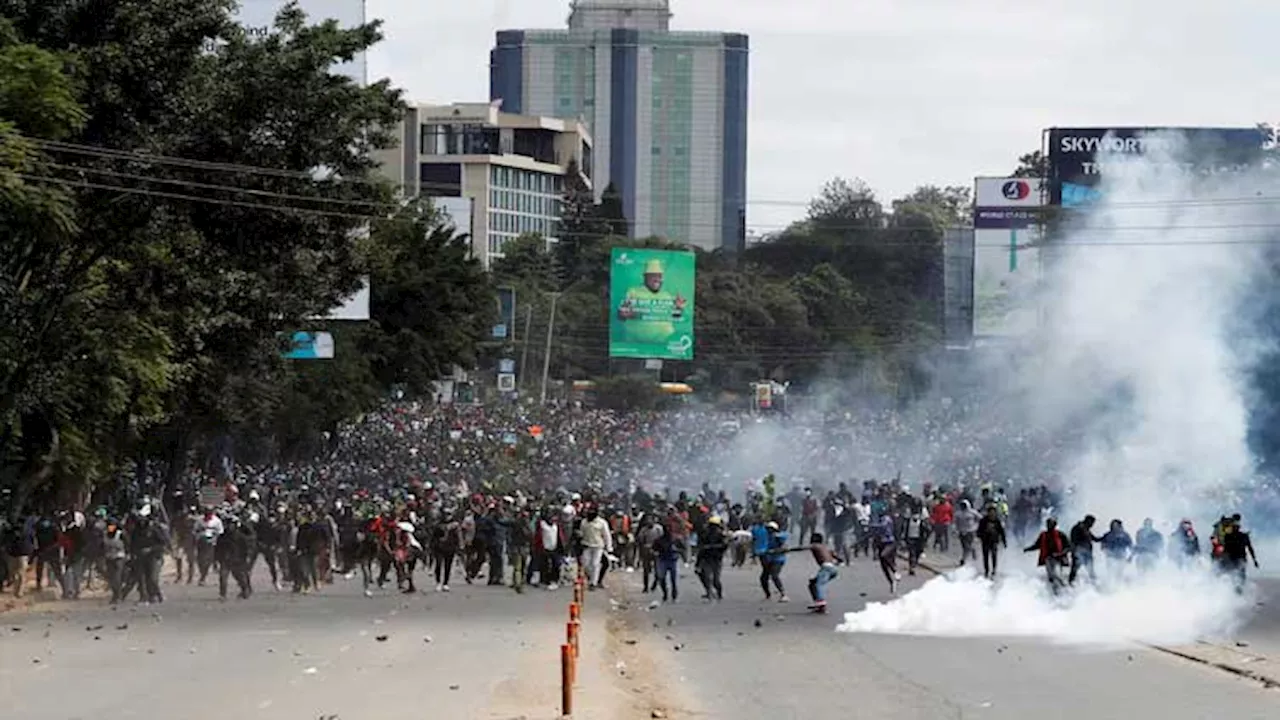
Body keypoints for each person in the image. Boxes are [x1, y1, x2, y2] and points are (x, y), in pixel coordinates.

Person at [1024, 517, 1070, 593]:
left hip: (1058, 559)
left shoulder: (1060, 534)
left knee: (1057, 575)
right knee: (1051, 577)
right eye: (1048, 523)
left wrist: (1059, 554)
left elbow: (1068, 547)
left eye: (1051, 524)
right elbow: (1037, 545)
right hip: (1048, 559)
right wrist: (1028, 549)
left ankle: (1065, 589)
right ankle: (1055, 592)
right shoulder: (1043, 535)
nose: (1049, 525)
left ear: (1055, 525)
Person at [1220, 517, 1259, 593]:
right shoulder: (1237, 536)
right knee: (1237, 574)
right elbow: (1226, 549)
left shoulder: (1237, 536)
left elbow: (1250, 548)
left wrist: (1254, 560)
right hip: (1235, 559)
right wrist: (1254, 560)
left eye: (1235, 527)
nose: (1235, 529)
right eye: (1234, 527)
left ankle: (1238, 588)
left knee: (1238, 574)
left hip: (1238, 559)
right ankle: (1237, 588)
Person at [805, 533, 839, 613]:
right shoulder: (825, 547)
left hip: (826, 568)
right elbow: (836, 556)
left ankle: (821, 602)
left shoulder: (815, 545)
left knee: (819, 585)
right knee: (812, 584)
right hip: (833, 569)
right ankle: (818, 604)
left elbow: (800, 548)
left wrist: (784, 550)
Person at [695, 515, 727, 601]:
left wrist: (713, 547)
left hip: (716, 560)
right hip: (707, 559)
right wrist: (698, 563)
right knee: (706, 577)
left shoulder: (721, 535)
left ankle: (719, 593)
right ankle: (709, 593)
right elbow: (701, 549)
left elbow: (724, 546)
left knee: (716, 580)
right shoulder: (704, 535)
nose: (713, 528)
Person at [1068, 515, 1102, 586]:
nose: (1092, 525)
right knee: (1074, 570)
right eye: (1092, 523)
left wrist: (1105, 537)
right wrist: (1074, 551)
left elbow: (1094, 539)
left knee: (1090, 570)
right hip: (1079, 553)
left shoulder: (1086, 529)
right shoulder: (1078, 528)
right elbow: (1073, 540)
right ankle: (1071, 584)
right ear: (1088, 521)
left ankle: (1095, 584)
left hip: (1087, 554)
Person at [976, 504, 1007, 579]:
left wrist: (1004, 541)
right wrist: (981, 536)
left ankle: (994, 570)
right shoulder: (983, 521)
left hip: (994, 541)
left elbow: (1001, 532)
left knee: (994, 556)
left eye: (993, 512)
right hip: (985, 541)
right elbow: (979, 531)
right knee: (986, 557)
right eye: (990, 512)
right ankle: (986, 570)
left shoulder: (997, 521)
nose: (992, 513)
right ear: (988, 512)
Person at [954, 499, 980, 567]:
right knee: (964, 546)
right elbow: (955, 522)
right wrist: (955, 530)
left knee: (967, 546)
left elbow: (980, 518)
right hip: (961, 531)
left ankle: (963, 559)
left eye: (964, 505)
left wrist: (976, 526)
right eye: (962, 505)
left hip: (970, 531)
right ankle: (972, 552)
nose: (963, 507)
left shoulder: (972, 512)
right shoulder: (958, 513)